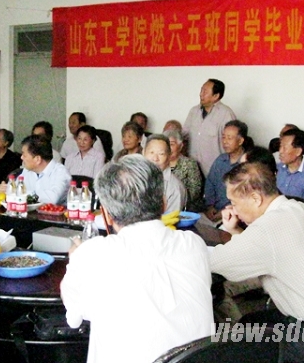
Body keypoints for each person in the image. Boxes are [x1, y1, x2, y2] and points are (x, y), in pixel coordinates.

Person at [61, 155, 213, 363]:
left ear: (107, 215)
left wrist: (76, 260)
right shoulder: (193, 244)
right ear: (164, 204)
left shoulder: (93, 254)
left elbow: (74, 317)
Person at [210, 163, 304, 363]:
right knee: (249, 324)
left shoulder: (269, 228)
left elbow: (215, 262)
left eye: (234, 202)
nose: (233, 209)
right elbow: (263, 249)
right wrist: (235, 231)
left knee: (238, 348)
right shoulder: (298, 208)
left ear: (255, 198)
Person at [183, 79, 236, 175]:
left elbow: (232, 143)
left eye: (205, 91)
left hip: (215, 170)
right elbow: (184, 135)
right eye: (201, 90)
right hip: (193, 170)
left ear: (216, 96)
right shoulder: (194, 111)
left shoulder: (226, 114)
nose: (201, 94)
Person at [5, 135, 71, 205]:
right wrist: (7, 188)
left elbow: (52, 199)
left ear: (37, 159)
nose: (21, 157)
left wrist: (22, 192)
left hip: (56, 211)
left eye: (24, 155)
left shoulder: (61, 172)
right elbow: (14, 189)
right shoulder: (27, 171)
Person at [203, 120, 247, 224]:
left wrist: (226, 211)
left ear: (240, 141)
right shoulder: (220, 160)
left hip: (235, 215)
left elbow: (245, 196)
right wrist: (210, 206)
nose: (225, 141)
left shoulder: (247, 162)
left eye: (229, 138)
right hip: (213, 211)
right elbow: (210, 183)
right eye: (223, 137)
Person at [276, 128, 304, 209]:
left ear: (298, 151)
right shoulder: (276, 168)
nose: (280, 151)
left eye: (285, 147)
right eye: (280, 146)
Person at [144, 134, 187, 214]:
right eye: (151, 152)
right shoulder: (135, 178)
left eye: (161, 154)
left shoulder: (175, 187)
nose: (155, 158)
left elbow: (171, 218)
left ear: (169, 156)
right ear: (143, 153)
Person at [164, 129, 203, 212]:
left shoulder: (189, 164)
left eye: (171, 144)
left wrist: (175, 199)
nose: (168, 148)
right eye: (165, 144)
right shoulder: (160, 162)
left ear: (180, 146)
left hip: (184, 207)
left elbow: (195, 191)